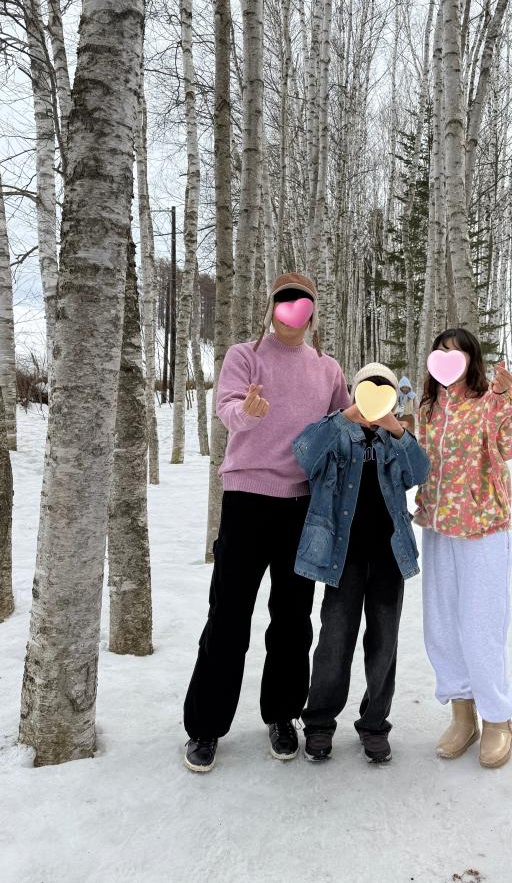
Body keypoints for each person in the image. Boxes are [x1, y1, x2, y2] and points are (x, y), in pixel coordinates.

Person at [183, 272, 351, 773]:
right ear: (272, 306)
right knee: (228, 616)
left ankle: (282, 715)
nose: (292, 309)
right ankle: (205, 725)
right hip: (247, 500)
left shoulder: (327, 368)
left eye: (302, 302)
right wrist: (248, 413)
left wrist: (384, 419)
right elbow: (227, 406)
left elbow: (344, 421)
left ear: (312, 312)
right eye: (284, 300)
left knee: (293, 619)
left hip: (302, 507)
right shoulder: (245, 355)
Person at [292, 364, 430, 764]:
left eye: (384, 390)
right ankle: (319, 723)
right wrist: (348, 416)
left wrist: (396, 428)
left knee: (384, 644)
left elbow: (419, 472)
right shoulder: (337, 433)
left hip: (389, 557)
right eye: (368, 390)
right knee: (334, 642)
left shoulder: (394, 438)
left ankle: (374, 725)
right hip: (344, 559)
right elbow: (303, 454)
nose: (375, 398)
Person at [414, 329, 512, 769]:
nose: (447, 358)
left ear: (471, 360)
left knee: (481, 625)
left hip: (482, 527)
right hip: (439, 527)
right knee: (441, 626)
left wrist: (505, 399)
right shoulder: (428, 408)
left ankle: (497, 717)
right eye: (441, 351)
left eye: (456, 352)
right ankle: (463, 714)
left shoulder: (488, 401)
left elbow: (510, 447)